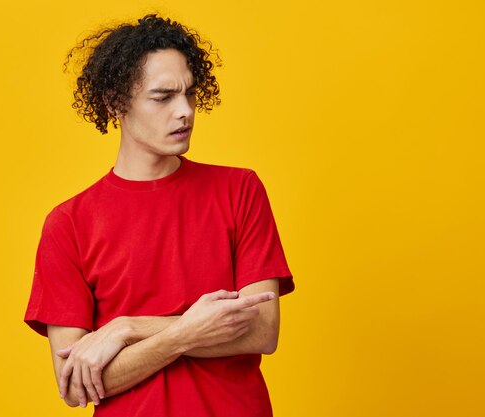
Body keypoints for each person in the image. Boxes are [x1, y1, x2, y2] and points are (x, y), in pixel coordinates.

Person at [24, 14, 295, 417]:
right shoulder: (69, 224)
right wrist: (187, 331)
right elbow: (75, 382)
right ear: (115, 101)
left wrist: (127, 328)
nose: (185, 111)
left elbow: (261, 329)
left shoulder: (240, 190)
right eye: (163, 96)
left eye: (189, 93)